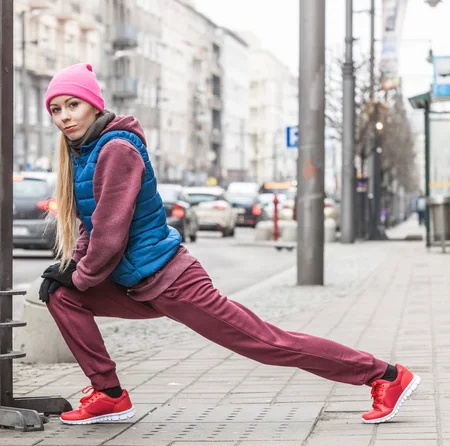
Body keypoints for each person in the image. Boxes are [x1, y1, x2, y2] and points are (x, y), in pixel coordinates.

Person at [39, 63, 420, 426]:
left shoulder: (116, 149)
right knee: (61, 295)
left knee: (267, 343)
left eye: (73, 105)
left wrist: (83, 276)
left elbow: (110, 232)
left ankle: (385, 375)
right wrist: (71, 269)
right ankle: (109, 393)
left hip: (171, 282)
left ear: (94, 104)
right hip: (134, 284)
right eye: (56, 109)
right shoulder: (84, 153)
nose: (65, 116)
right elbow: (89, 225)